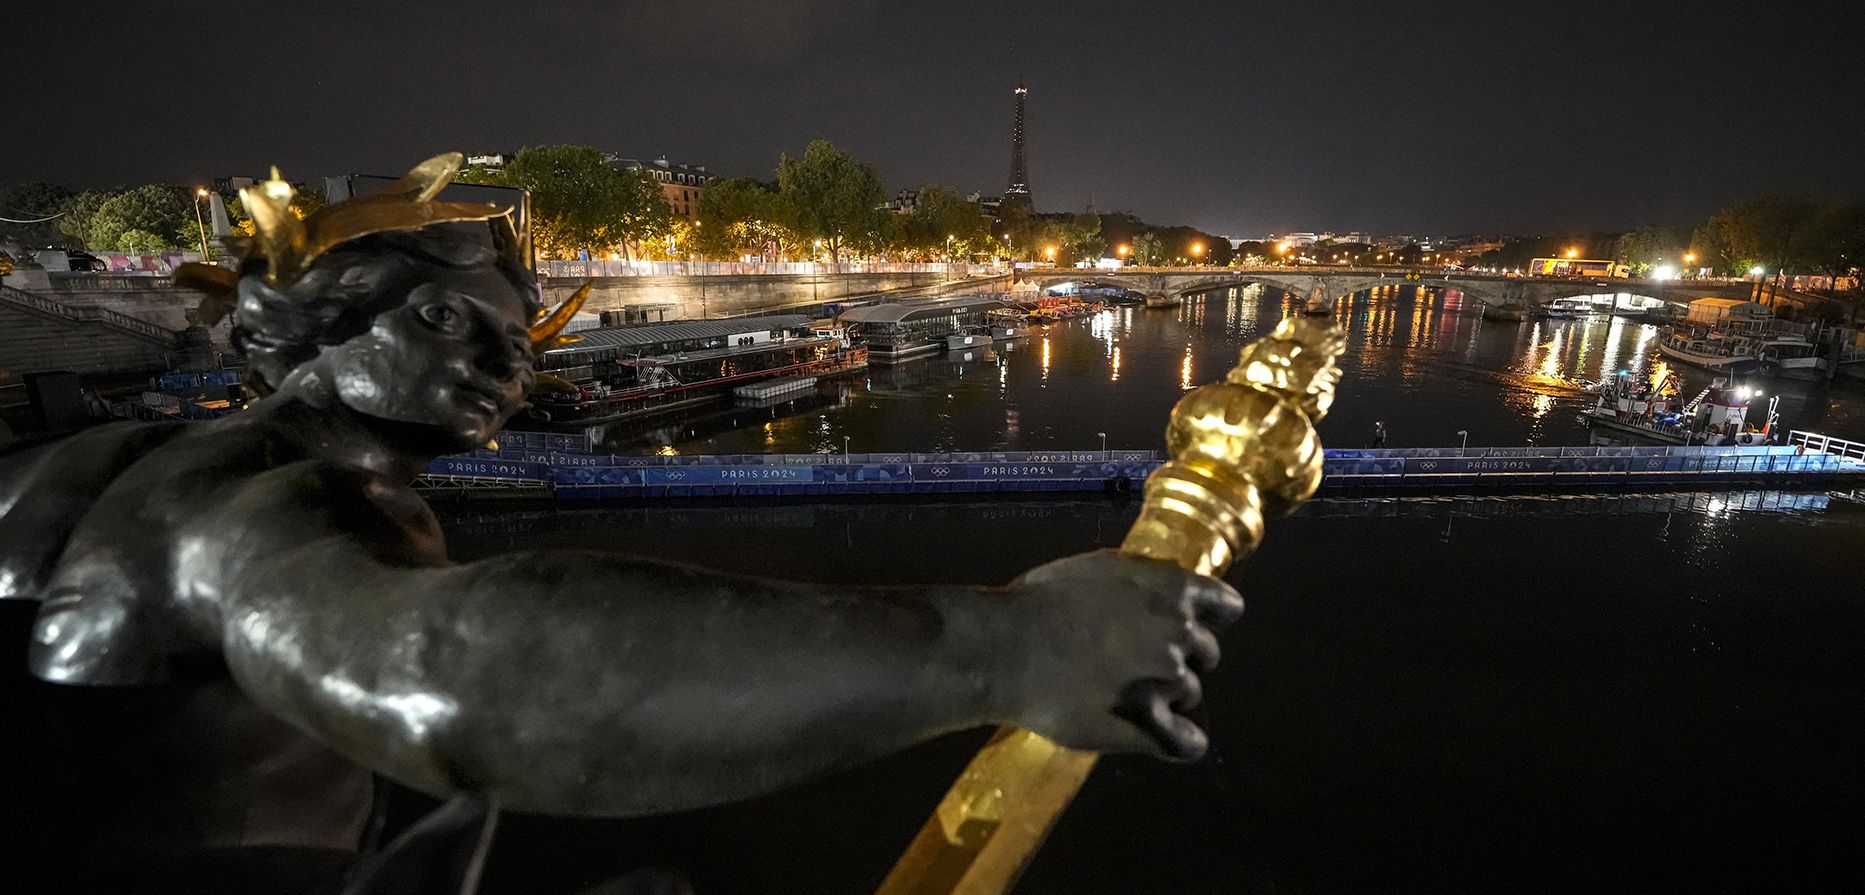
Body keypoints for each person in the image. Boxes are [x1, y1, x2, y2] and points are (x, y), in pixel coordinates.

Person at [0, 160, 1239, 892]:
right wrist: (1005, 646)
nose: (504, 365)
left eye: (515, 339)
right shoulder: (286, 505)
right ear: (325, 313)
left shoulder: (96, 463)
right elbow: (455, 672)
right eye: (446, 322)